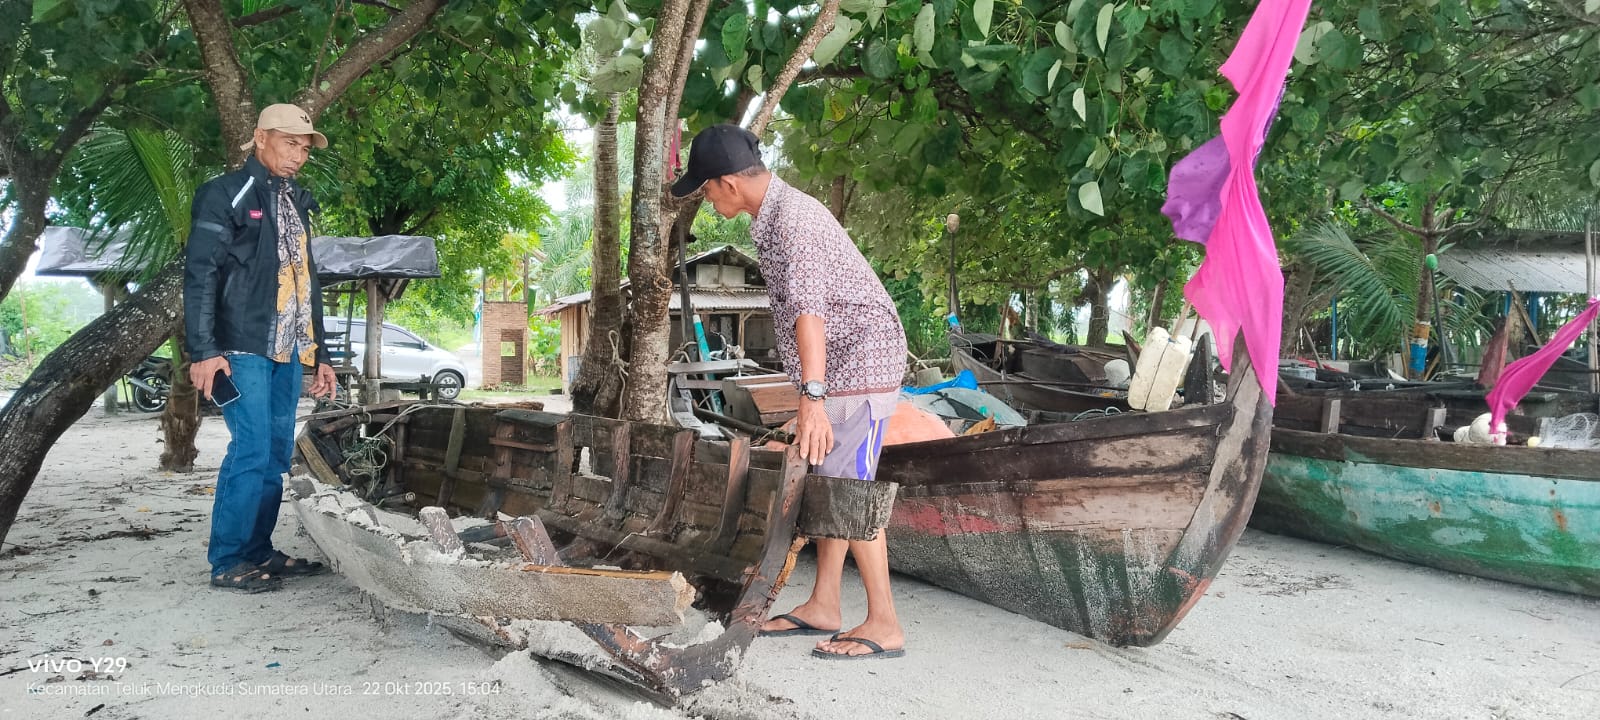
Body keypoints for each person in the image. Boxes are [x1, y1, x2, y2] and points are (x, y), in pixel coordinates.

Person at [671, 124, 909, 660]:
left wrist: (813, 398)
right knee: (829, 478)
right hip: (839, 367)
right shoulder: (771, 217)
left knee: (849, 488)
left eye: (706, 188)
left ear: (729, 183)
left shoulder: (794, 221)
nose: (706, 198)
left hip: (862, 365)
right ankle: (825, 604)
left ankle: (885, 622)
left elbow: (810, 314)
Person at [185, 104, 339, 593]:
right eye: (289, 143)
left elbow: (306, 284)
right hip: (239, 348)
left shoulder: (297, 202)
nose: (298, 155)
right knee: (249, 449)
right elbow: (201, 274)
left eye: (304, 147)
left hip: (288, 351)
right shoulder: (224, 193)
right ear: (260, 138)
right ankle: (228, 558)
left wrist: (320, 356)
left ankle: (257, 551)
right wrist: (204, 349)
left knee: (275, 454)